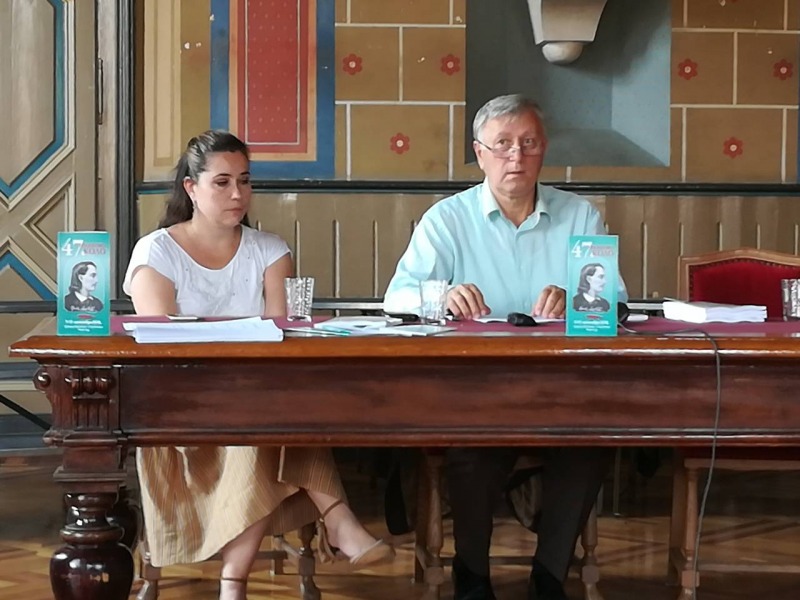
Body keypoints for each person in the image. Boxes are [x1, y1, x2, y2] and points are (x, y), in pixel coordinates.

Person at [123, 130, 392, 600]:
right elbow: (162, 349)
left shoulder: (270, 249)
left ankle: (237, 580)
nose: (237, 194)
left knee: (268, 417)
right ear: (191, 188)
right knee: (270, 421)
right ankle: (335, 519)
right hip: (182, 404)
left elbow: (279, 338)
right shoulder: (157, 251)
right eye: (222, 182)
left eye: (244, 181)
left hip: (256, 396)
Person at [384, 94, 627, 600]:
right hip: (476, 386)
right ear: (480, 153)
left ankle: (549, 576)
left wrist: (578, 300)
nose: (516, 155)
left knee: (590, 445)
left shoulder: (580, 217)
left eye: (528, 142)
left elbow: (614, 304)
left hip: (561, 386)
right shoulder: (447, 220)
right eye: (502, 144)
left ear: (544, 150)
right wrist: (442, 296)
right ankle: (472, 575)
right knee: (473, 448)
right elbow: (397, 297)